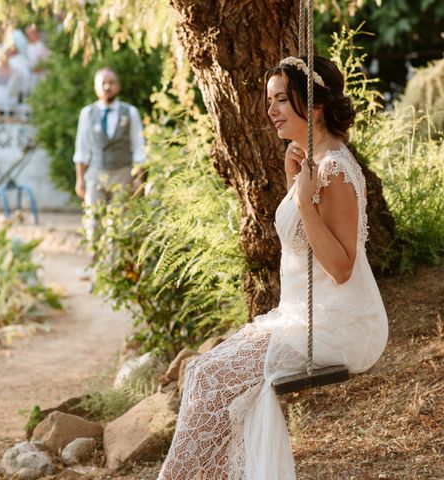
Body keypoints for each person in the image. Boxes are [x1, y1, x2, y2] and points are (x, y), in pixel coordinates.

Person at [158, 56, 388, 479]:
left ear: (314, 104)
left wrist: (300, 201)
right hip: (299, 317)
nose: (271, 110)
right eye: (270, 100)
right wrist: (292, 184)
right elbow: (304, 244)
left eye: (282, 99)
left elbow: (339, 268)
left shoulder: (334, 170)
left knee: (210, 379)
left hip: (340, 325)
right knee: (201, 374)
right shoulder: (310, 162)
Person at [73, 67, 145, 241]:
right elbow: (82, 149)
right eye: (103, 83)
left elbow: (139, 148)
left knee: (119, 223)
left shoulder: (130, 112)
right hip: (96, 174)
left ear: (118, 87)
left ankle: (115, 264)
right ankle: (98, 263)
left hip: (122, 173)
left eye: (111, 83)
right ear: (96, 88)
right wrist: (80, 179)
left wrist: (138, 179)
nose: (107, 87)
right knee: (93, 223)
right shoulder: (87, 113)